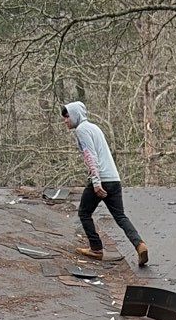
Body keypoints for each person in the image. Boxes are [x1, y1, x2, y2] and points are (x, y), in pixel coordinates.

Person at [61, 101, 148, 267]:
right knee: (120, 216)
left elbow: (90, 156)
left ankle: (96, 248)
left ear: (75, 115)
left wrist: (95, 181)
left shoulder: (82, 130)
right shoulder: (94, 128)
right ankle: (139, 245)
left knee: (84, 213)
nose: (65, 120)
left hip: (102, 179)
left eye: (67, 117)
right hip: (114, 179)